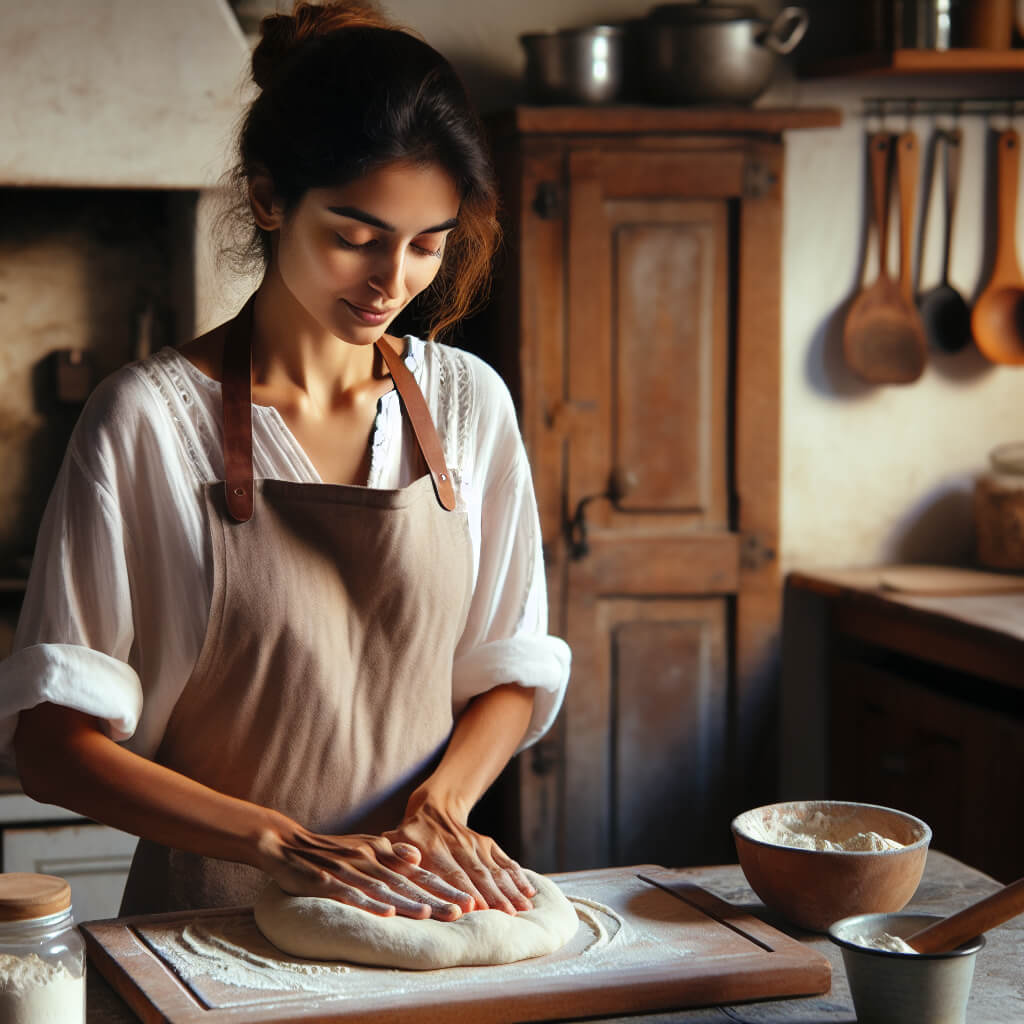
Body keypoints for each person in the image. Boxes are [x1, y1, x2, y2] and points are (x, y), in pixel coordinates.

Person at [0, 0, 570, 922]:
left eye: (428, 244)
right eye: (356, 236)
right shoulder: (144, 422)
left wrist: (442, 803)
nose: (394, 281)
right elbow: (53, 746)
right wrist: (276, 842)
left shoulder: (470, 405)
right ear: (268, 199)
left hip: (420, 915)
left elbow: (508, 668)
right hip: (208, 927)